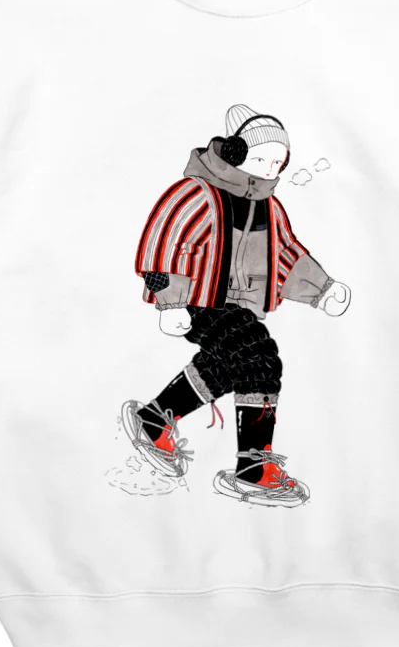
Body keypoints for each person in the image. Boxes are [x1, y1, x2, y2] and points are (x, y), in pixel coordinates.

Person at [123, 104, 351, 506]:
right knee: (257, 355)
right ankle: (252, 468)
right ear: (234, 152)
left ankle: (154, 420)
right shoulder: (197, 194)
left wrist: (322, 290)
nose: (270, 168)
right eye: (261, 159)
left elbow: (286, 255)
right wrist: (169, 301)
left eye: (277, 162)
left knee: (233, 363)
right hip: (199, 299)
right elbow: (167, 238)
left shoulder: (269, 208)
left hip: (241, 306)